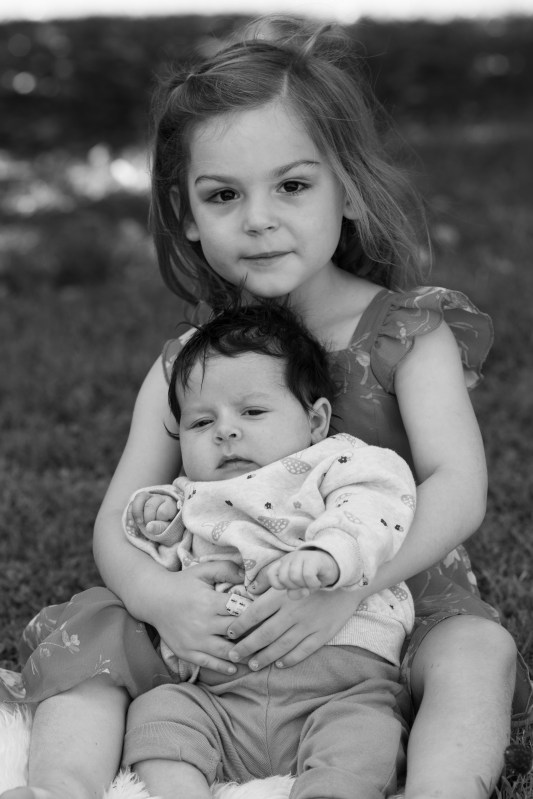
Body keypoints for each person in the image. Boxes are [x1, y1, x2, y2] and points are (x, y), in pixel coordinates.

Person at [1, 13, 531, 799]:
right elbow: (116, 520)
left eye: (292, 185)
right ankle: (61, 785)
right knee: (99, 628)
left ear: (346, 189)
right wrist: (162, 599)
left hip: (390, 592)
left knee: (475, 652)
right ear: (186, 214)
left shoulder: (405, 334)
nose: (257, 219)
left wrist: (346, 588)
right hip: (222, 602)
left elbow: (457, 488)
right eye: (222, 194)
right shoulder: (188, 365)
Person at [121, 303, 417, 798]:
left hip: (338, 685)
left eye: (252, 412)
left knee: (365, 735)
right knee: (158, 714)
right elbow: (175, 569)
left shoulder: (336, 463)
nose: (225, 431)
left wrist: (329, 556)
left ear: (316, 421)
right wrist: (164, 527)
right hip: (219, 697)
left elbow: (377, 506)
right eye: (201, 422)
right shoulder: (194, 494)